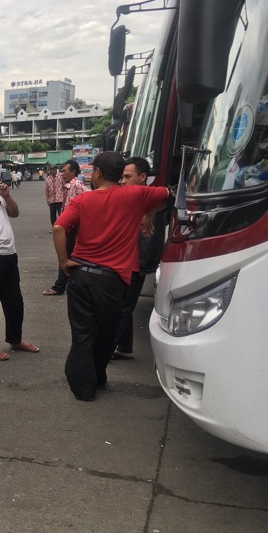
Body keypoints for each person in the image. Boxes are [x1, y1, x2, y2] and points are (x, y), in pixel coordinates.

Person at [52, 151, 171, 401]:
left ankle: (84, 387)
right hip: (112, 280)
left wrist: (64, 261)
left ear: (96, 173)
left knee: (83, 334)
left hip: (81, 275)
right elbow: (169, 195)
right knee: (106, 334)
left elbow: (59, 227)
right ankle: (97, 376)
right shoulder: (137, 195)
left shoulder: (82, 201)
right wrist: (148, 212)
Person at [0, 160, 39, 361]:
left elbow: (15, 213)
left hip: (9, 255)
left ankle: (15, 339)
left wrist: (7, 196)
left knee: (14, 302)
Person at [112, 156, 170, 360]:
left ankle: (108, 348)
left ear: (143, 177)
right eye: (122, 177)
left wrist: (149, 213)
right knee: (123, 305)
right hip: (127, 258)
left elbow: (174, 195)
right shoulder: (130, 195)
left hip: (139, 260)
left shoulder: (153, 195)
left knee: (122, 307)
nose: (123, 181)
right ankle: (124, 347)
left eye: (128, 177)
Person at [43, 160, 88, 296]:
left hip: (73, 226)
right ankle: (70, 283)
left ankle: (59, 286)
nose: (62, 174)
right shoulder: (68, 185)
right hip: (69, 225)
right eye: (61, 171)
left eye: (64, 171)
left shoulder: (77, 185)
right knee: (72, 254)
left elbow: (90, 197)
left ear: (73, 172)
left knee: (65, 255)